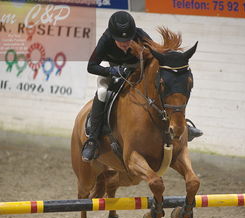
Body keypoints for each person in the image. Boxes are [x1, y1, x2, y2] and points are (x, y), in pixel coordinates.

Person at [81, 11, 202, 162]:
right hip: (113, 72)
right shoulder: (105, 40)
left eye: (128, 39)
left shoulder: (140, 35)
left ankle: (182, 126)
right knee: (102, 92)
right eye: (120, 41)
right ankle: (92, 140)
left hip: (138, 70)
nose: (125, 44)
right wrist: (113, 71)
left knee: (160, 89)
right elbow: (91, 66)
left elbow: (157, 55)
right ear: (113, 37)